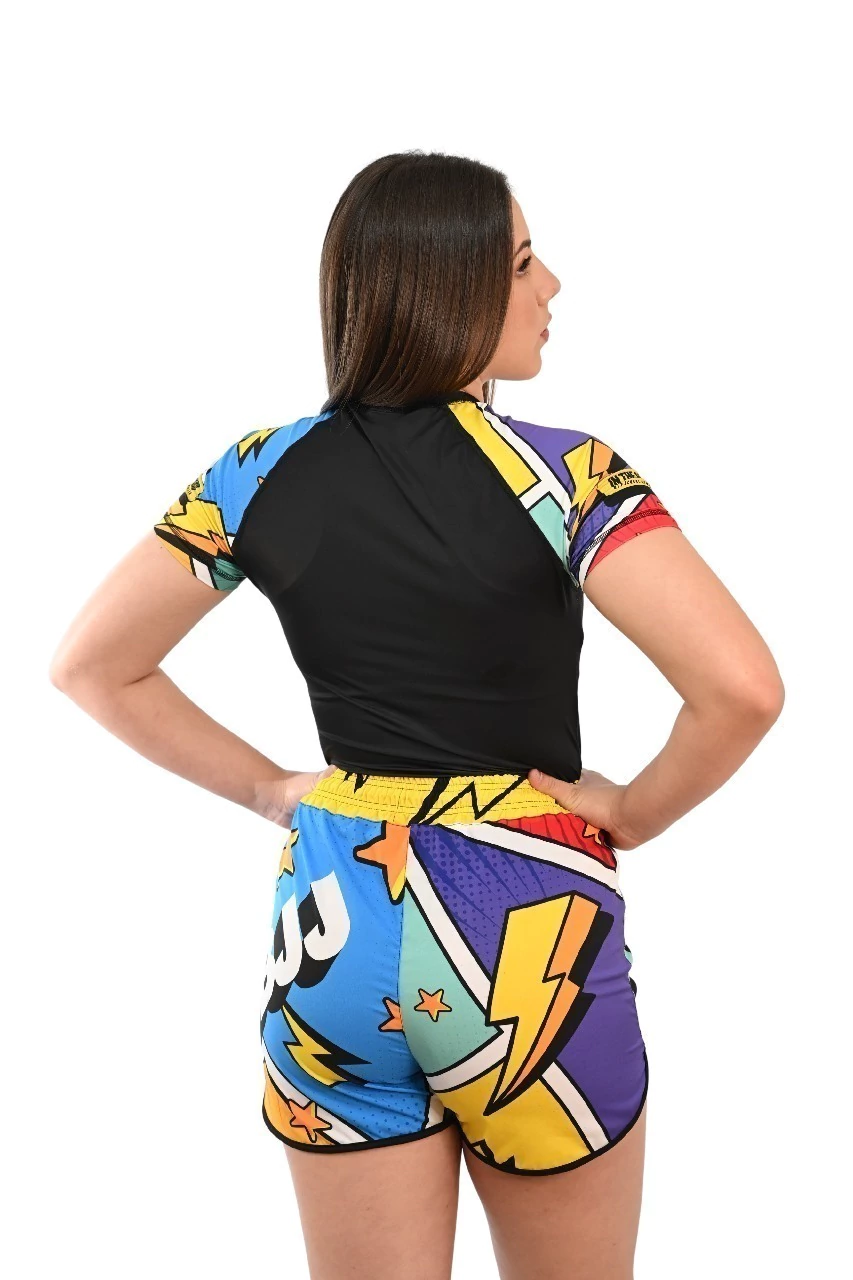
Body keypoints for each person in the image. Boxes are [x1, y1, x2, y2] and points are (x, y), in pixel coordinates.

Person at [49, 151, 784, 1280]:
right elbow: (741, 688)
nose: (552, 286)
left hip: (334, 920)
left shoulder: (255, 473)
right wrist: (633, 811)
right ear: (449, 286)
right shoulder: (570, 477)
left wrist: (270, 789)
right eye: (524, 263)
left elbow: (95, 665)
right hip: (523, 924)